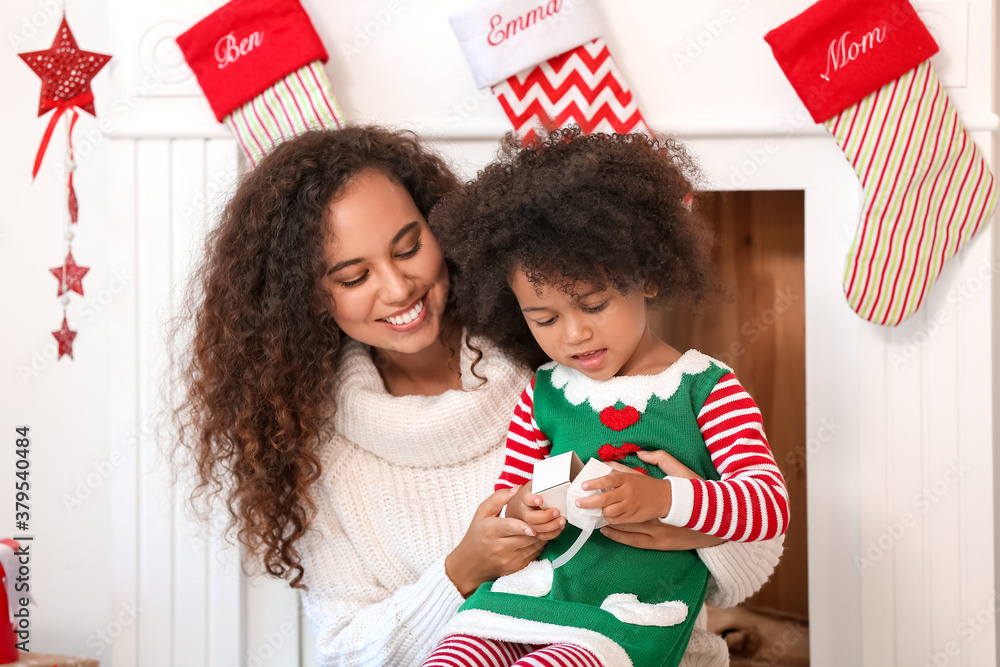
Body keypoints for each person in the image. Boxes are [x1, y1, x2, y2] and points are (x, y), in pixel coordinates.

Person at [173, 126, 784, 667]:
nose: (397, 288)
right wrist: (466, 569)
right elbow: (348, 651)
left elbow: (757, 542)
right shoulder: (314, 447)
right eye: (354, 277)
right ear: (305, 298)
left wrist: (687, 525)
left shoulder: (554, 351)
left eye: (409, 246)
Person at [422, 128, 789, 667]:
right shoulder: (543, 391)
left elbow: (767, 506)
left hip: (631, 614)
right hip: (530, 595)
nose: (574, 336)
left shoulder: (707, 388)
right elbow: (509, 493)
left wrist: (664, 500)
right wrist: (525, 509)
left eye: (593, 306)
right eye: (544, 318)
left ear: (650, 278)